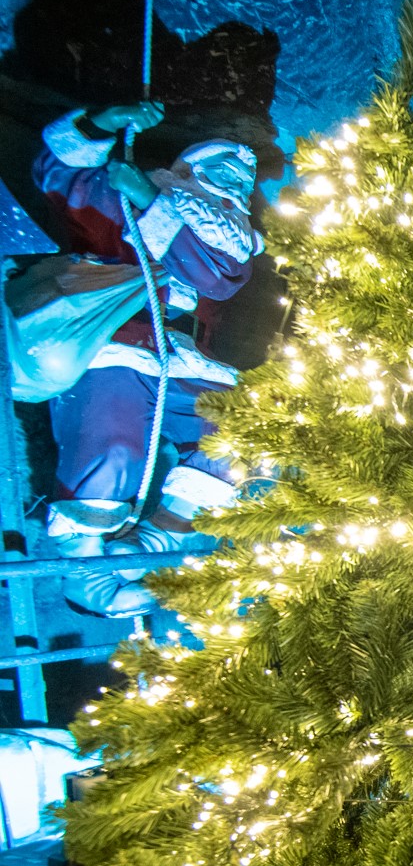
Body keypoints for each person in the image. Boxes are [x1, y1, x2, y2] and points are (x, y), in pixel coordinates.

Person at [25, 102, 261, 615]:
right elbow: (59, 174)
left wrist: (152, 200)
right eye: (221, 172)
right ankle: (85, 571)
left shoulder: (228, 243)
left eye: (243, 180)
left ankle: (155, 544)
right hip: (119, 341)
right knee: (114, 443)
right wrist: (100, 127)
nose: (235, 185)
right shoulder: (119, 204)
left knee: (247, 433)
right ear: (185, 172)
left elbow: (216, 272)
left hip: (184, 358)